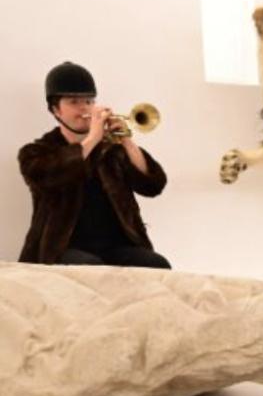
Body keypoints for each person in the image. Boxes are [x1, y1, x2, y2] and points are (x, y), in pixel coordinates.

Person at [18, 62, 170, 268]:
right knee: (91, 268)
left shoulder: (111, 150)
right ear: (55, 110)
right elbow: (49, 177)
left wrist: (126, 140)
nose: (85, 108)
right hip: (62, 248)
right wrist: (93, 138)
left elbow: (153, 185)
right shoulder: (35, 153)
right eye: (74, 102)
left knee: (157, 264)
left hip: (117, 246)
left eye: (89, 101)